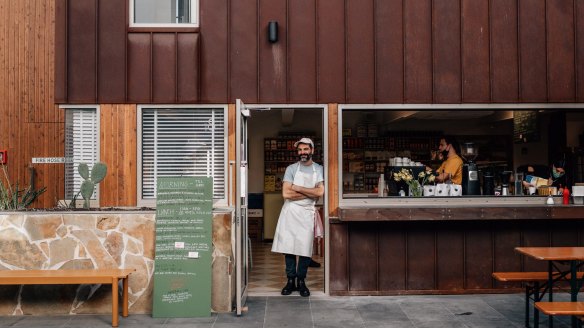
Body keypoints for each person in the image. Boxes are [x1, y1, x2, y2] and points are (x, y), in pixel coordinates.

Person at [271, 137, 324, 297]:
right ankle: (290, 281)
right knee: (289, 248)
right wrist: (310, 193)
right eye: (300, 150)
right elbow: (286, 193)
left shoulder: (319, 169)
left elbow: (320, 193)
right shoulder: (291, 168)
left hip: (307, 213)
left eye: (305, 149)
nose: (302, 152)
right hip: (291, 211)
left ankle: (301, 281)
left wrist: (298, 187)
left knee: (305, 249)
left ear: (312, 150)